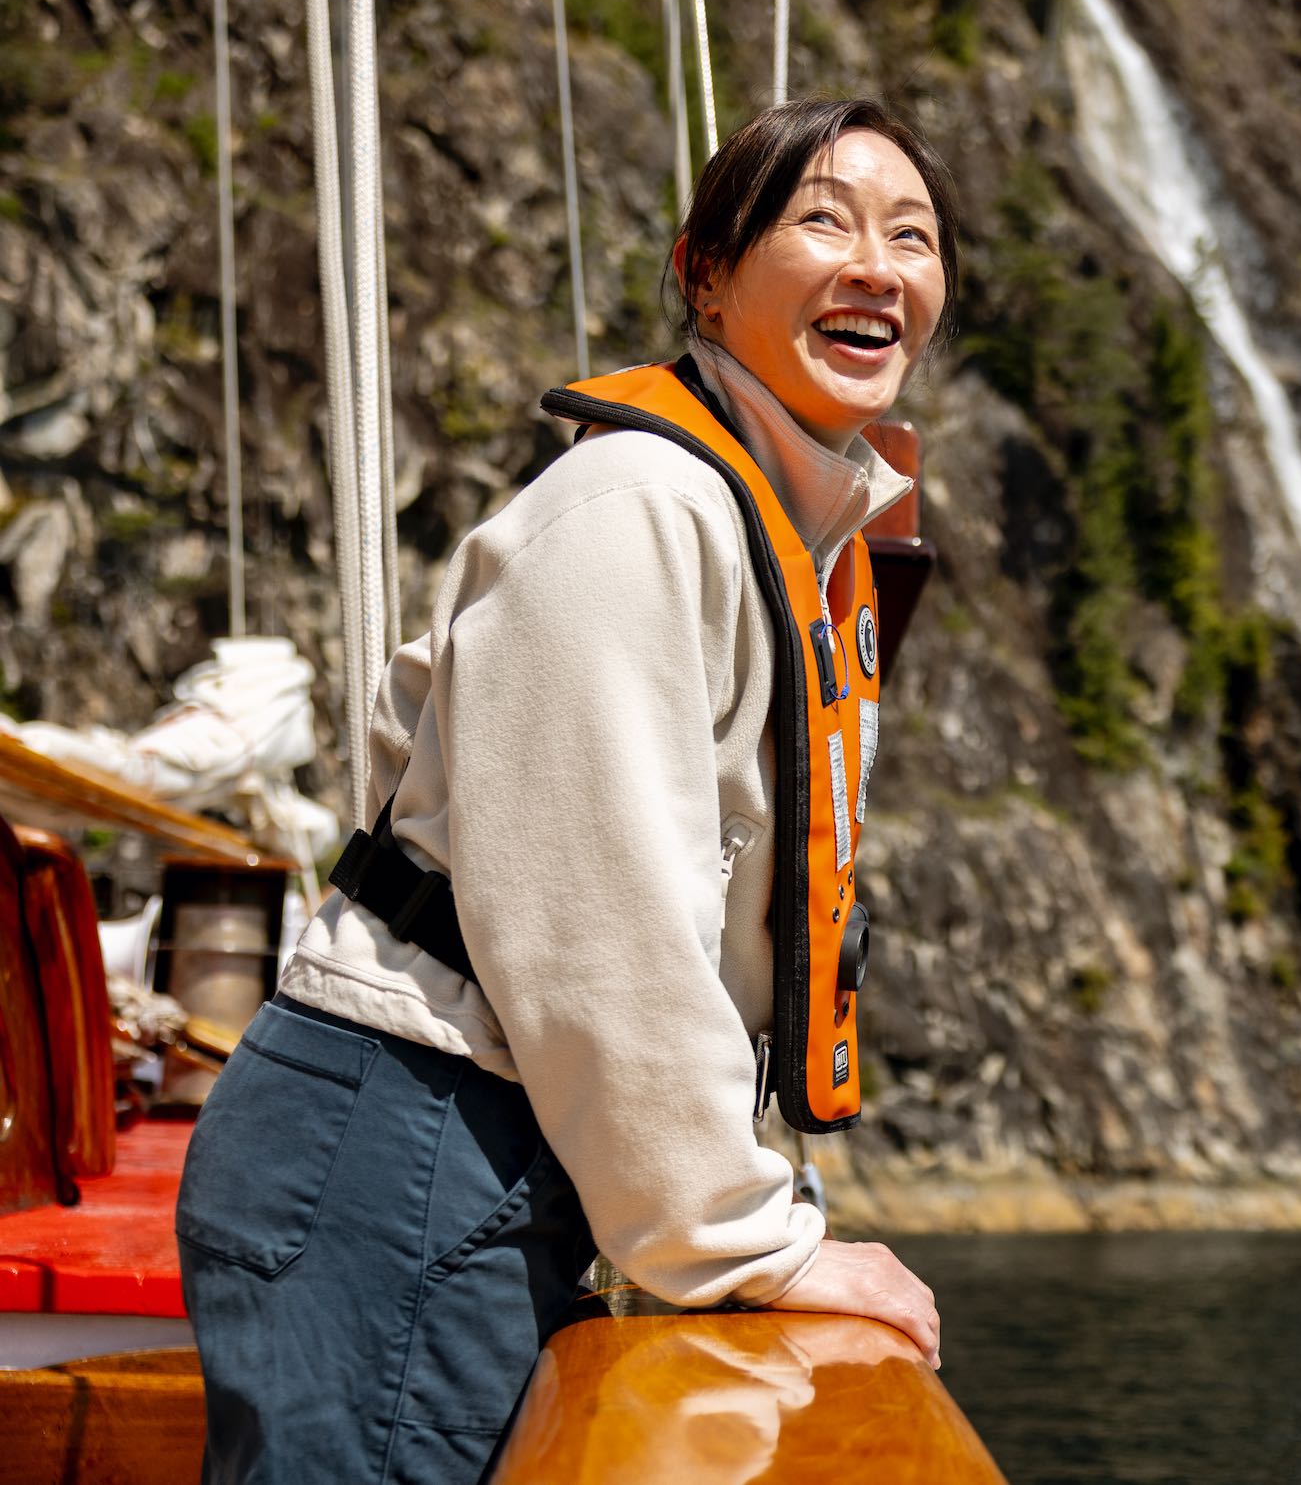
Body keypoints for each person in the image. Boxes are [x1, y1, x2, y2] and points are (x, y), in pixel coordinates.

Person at [175, 97, 957, 1484]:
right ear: (704, 275)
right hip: (403, 1140)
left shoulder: (777, 533)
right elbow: (605, 930)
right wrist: (745, 1243)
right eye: (823, 220)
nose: (877, 266)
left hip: (465, 1142)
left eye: (913, 235)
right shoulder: (638, 510)